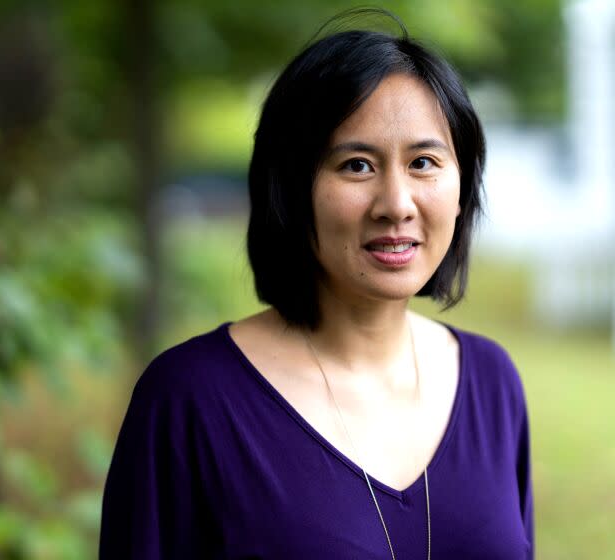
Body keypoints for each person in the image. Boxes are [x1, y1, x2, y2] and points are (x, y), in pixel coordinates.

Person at [99, 13, 534, 560]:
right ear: (290, 187)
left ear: (462, 185)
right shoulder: (190, 399)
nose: (396, 204)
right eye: (356, 165)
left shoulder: (492, 384)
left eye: (423, 162)